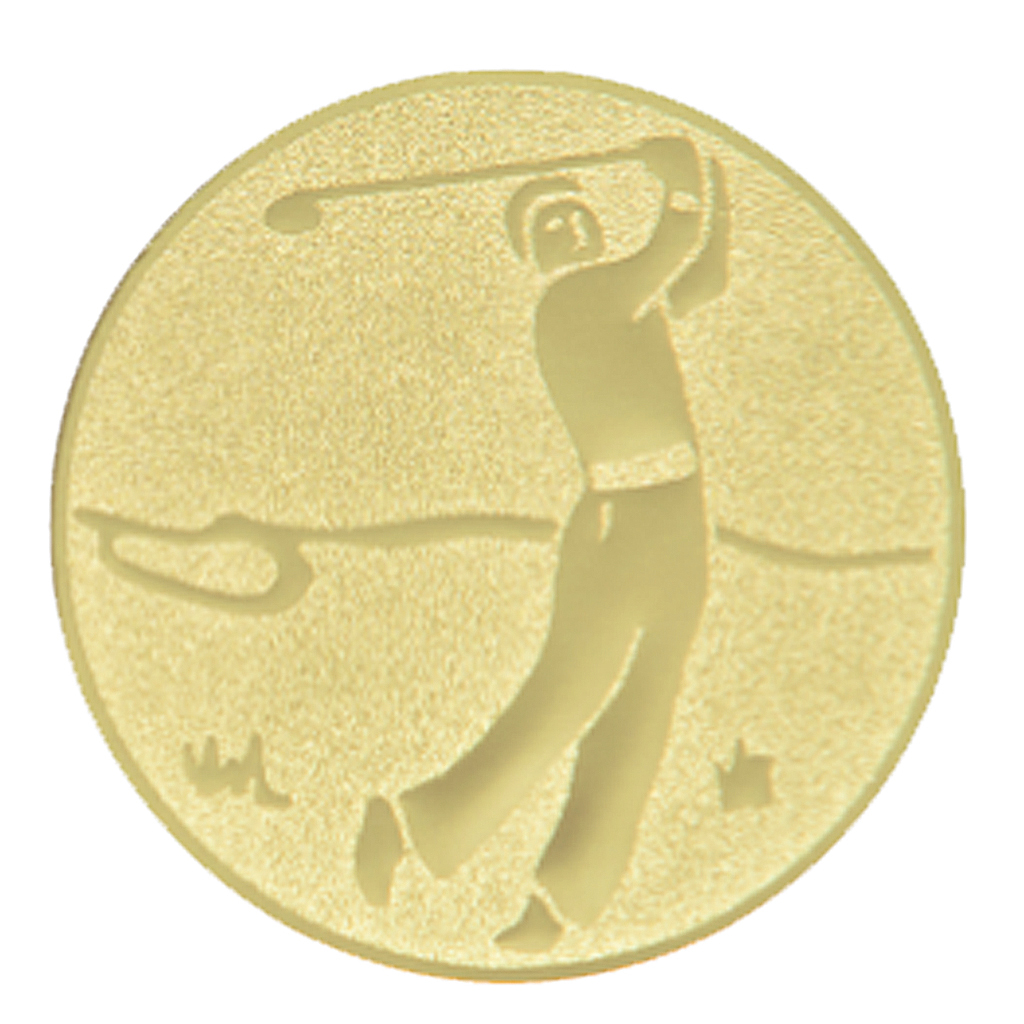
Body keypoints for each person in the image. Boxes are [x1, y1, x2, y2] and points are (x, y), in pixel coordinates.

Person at [358, 135, 730, 947]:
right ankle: (413, 823)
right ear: (536, 257)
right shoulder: (575, 301)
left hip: (676, 515)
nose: (572, 230)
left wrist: (714, 179)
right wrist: (681, 189)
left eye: (578, 215)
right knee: (570, 697)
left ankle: (563, 900)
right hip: (618, 522)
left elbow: (704, 279)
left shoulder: (633, 300)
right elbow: (673, 244)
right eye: (551, 226)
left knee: (645, 706)